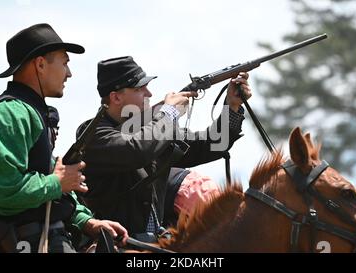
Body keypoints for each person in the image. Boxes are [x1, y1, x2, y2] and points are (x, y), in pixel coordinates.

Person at [0, 23, 128, 253]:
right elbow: (1, 190)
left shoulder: (30, 112)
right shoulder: (9, 114)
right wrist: (57, 183)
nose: (69, 73)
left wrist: (86, 221)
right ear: (40, 64)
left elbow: (52, 184)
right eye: (65, 63)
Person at [77, 56, 251, 242]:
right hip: (114, 244)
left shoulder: (153, 128)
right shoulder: (93, 134)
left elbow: (214, 143)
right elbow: (137, 151)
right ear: (116, 97)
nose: (149, 94)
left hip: (152, 243)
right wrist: (169, 113)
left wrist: (232, 107)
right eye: (139, 89)